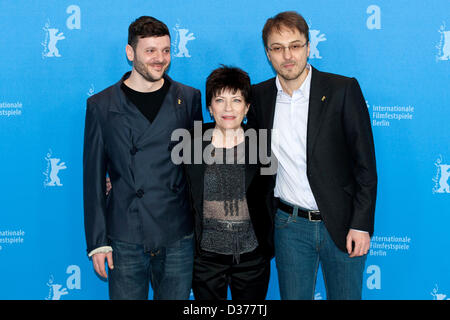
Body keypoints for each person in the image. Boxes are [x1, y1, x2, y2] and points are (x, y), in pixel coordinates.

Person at [247, 11, 377, 300]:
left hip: (343, 225)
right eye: (277, 48)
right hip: (289, 227)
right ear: (268, 53)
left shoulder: (342, 89)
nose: (287, 56)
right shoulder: (259, 97)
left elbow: (365, 165)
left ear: (308, 46)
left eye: (295, 45)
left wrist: (361, 224)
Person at [83, 16, 202, 300]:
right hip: (125, 236)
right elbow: (93, 178)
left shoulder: (189, 98)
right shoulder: (101, 105)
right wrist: (98, 243)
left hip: (177, 234)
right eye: (150, 51)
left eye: (165, 50)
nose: (159, 59)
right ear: (130, 52)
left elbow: (197, 169)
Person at [183, 66, 273, 300]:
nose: (228, 108)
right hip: (206, 260)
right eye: (220, 100)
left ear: (247, 107)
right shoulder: (191, 143)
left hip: (252, 258)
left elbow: (271, 195)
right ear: (210, 108)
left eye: (236, 100)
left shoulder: (262, 145)